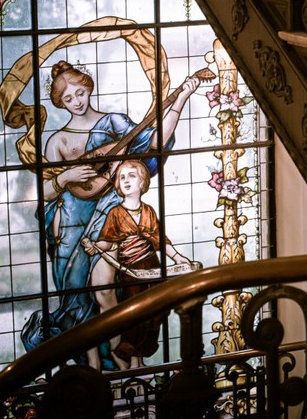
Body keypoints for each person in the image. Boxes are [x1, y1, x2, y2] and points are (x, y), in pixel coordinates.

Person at [20, 60, 200, 368]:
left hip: (113, 218)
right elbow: (42, 194)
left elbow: (154, 143)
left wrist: (181, 98)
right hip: (73, 228)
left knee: (115, 289)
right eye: (68, 99)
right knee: (79, 300)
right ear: (60, 103)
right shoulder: (58, 141)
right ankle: (94, 368)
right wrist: (65, 178)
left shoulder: (114, 123)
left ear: (88, 87)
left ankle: (130, 363)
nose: (76, 102)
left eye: (79, 93)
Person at [83, 159, 192, 370]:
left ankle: (140, 359)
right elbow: (108, 241)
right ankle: (133, 360)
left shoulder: (149, 211)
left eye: (131, 176)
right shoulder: (115, 213)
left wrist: (178, 258)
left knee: (154, 314)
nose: (126, 181)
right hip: (131, 273)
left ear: (142, 182)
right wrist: (94, 246)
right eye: (122, 177)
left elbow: (160, 239)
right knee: (134, 316)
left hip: (152, 267)